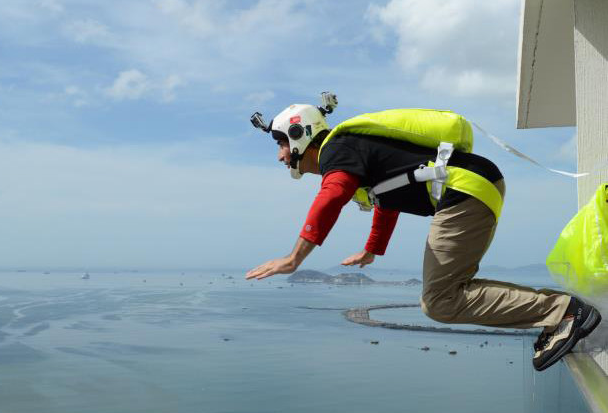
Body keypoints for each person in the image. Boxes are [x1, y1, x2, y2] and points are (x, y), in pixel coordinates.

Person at [246, 97, 601, 371]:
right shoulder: (351, 151)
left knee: (440, 300)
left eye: (279, 144)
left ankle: (566, 312)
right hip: (476, 185)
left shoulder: (335, 152)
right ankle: (561, 314)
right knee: (446, 295)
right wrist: (373, 251)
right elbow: (388, 197)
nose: (280, 157)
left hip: (463, 191)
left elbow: (333, 195)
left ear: (298, 135)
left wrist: (295, 258)